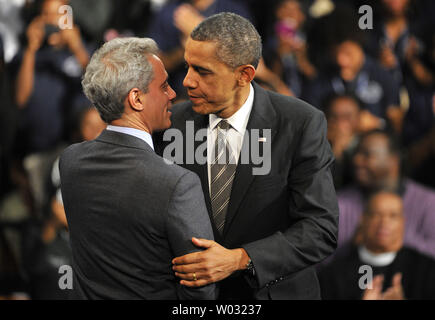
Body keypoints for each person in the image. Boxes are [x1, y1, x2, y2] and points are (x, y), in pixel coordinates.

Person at [156, 12, 339, 299]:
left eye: (202, 71)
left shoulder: (300, 123)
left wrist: (239, 259)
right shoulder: (170, 124)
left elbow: (320, 229)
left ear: (244, 75)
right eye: (188, 67)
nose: (188, 81)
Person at [59, 37, 216, 300]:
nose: (173, 94)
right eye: (164, 86)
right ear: (136, 99)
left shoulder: (71, 161)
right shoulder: (176, 183)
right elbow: (201, 290)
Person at [318, 190, 435, 300]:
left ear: (403, 222)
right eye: (376, 215)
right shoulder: (334, 274)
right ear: (363, 220)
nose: (384, 223)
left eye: (393, 216)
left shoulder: (427, 270)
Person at [337, 129, 435, 259]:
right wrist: (354, 246)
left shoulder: (428, 202)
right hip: (356, 277)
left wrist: (391, 237)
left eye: (367, 155)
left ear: (393, 160)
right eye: (356, 154)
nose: (357, 161)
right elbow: (322, 264)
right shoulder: (341, 203)